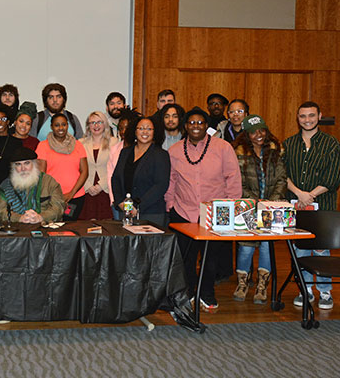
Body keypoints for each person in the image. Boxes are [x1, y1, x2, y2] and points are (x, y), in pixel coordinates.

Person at [165, 107, 241, 311]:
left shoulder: (223, 148)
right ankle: (189, 292)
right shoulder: (174, 151)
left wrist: (233, 206)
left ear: (206, 126)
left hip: (215, 213)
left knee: (210, 258)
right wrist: (170, 205)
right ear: (185, 126)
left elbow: (233, 178)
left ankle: (207, 293)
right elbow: (171, 180)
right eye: (191, 123)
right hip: (183, 211)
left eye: (200, 123)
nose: (195, 126)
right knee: (186, 258)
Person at [283, 101, 340, 310]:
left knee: (321, 249)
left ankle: (325, 291)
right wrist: (299, 193)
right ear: (297, 118)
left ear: (319, 116)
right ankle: (305, 289)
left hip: (323, 205)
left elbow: (334, 177)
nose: (307, 120)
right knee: (300, 249)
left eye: (311, 115)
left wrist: (310, 195)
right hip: (296, 205)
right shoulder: (288, 144)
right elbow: (283, 174)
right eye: (302, 116)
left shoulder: (331, 144)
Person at [232, 114, 287, 304]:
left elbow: (282, 179)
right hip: (247, 208)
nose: (259, 135)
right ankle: (242, 283)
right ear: (247, 134)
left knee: (266, 247)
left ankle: (262, 285)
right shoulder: (238, 153)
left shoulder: (274, 151)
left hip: (271, 208)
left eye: (262, 130)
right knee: (246, 248)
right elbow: (237, 184)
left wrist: (271, 202)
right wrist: (255, 202)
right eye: (254, 132)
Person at [112, 115, 170, 227]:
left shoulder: (161, 155)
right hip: (125, 212)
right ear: (134, 131)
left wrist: (138, 207)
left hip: (151, 213)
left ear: (154, 132)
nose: (145, 132)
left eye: (149, 129)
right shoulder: (125, 152)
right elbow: (116, 178)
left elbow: (161, 185)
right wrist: (120, 202)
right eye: (141, 128)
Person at [36, 113, 88, 220]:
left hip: (75, 196)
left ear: (67, 126)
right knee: (52, 229)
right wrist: (54, 196)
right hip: (51, 197)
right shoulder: (43, 146)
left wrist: (71, 194)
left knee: (70, 229)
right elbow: (42, 174)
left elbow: (85, 172)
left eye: (63, 125)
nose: (61, 128)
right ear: (51, 127)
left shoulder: (78, 145)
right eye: (57, 125)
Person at [0, 147, 65, 224]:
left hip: (44, 227)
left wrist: (40, 217)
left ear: (34, 164)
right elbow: (0, 211)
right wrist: (19, 218)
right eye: (18, 164)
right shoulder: (6, 186)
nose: (23, 168)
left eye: (27, 163)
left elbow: (58, 208)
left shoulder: (49, 182)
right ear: (13, 167)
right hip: (15, 229)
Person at [78, 111, 114, 220]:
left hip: (105, 190)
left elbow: (115, 168)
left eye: (99, 122)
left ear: (105, 124)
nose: (96, 126)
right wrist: (88, 186)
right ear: (88, 126)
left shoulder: (114, 142)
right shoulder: (80, 143)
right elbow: (77, 168)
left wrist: (100, 186)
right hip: (86, 190)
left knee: (105, 227)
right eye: (92, 123)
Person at [106, 108, 138, 216]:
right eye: (120, 128)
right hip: (118, 201)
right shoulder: (115, 149)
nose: (123, 131)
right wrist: (114, 200)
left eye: (126, 128)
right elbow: (111, 176)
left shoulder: (139, 149)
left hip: (136, 202)